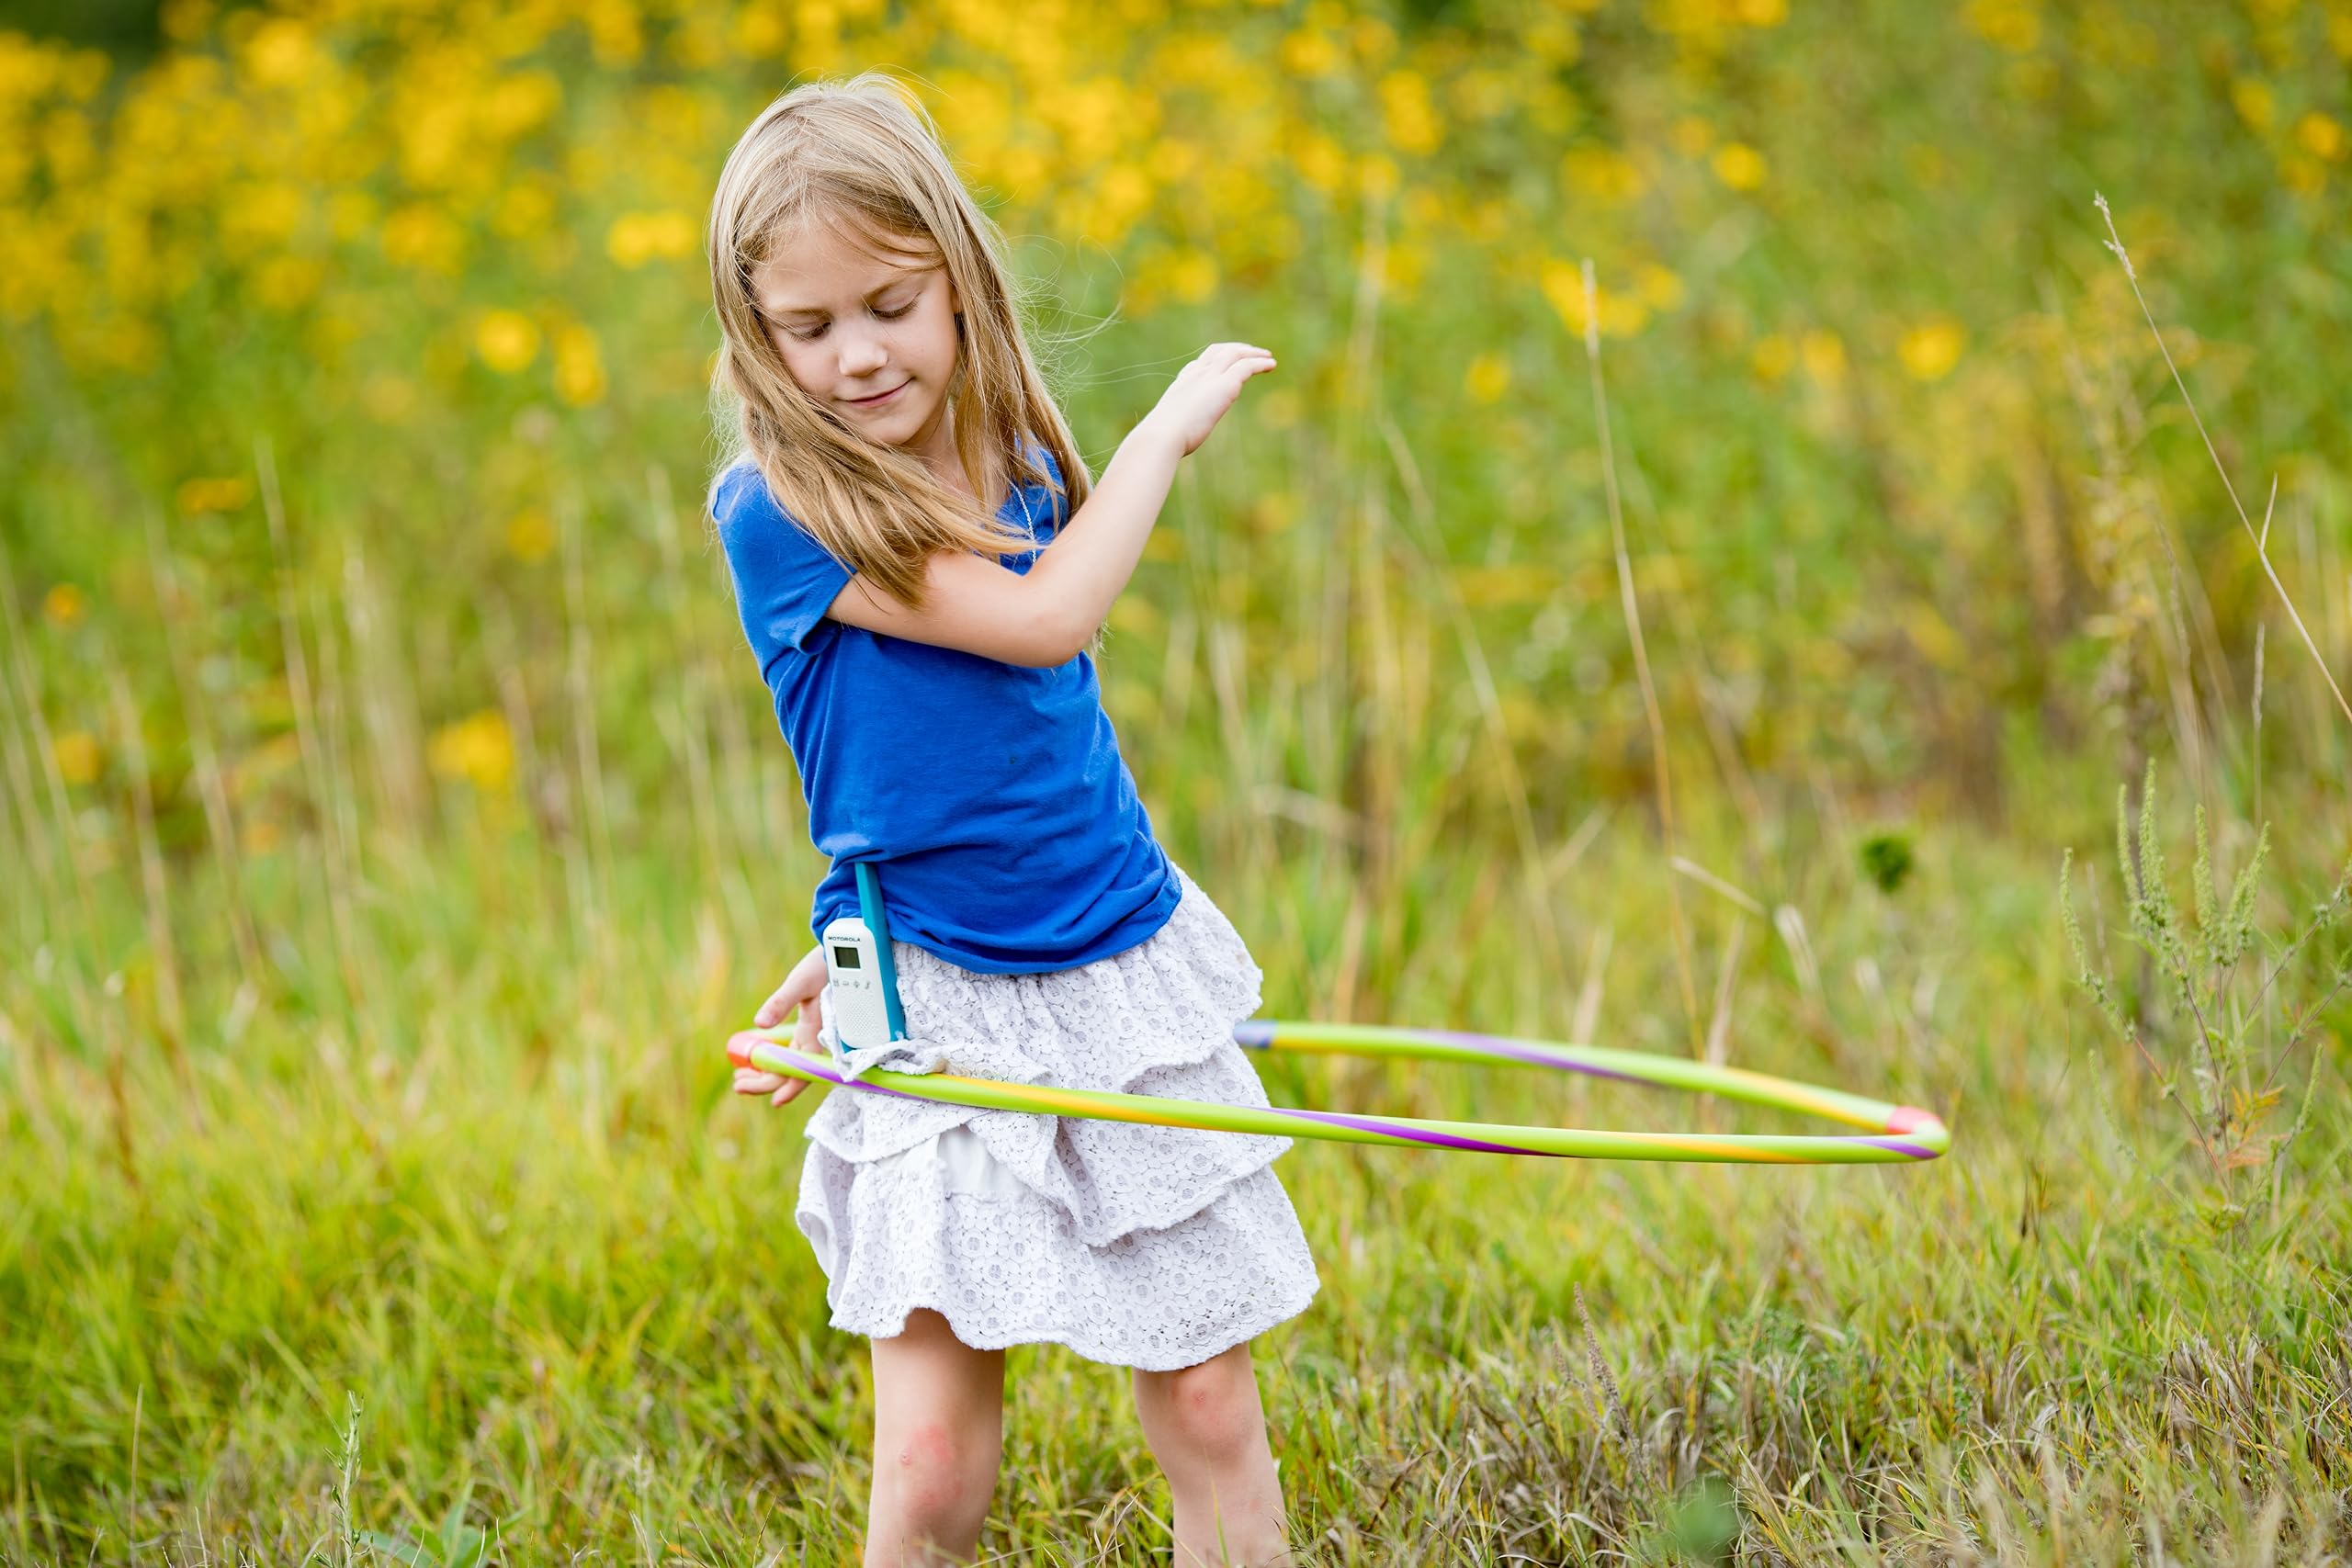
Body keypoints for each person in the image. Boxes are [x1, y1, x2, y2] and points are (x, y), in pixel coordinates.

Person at [704, 72, 1317, 1567]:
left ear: (960, 283)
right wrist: (1168, 435)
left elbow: (1007, 750)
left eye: (890, 305)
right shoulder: (780, 510)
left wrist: (845, 914)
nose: (856, 356)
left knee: (1209, 1399)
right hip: (942, 998)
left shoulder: (1022, 463)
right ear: (756, 335)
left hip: (1115, 957)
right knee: (926, 1467)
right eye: (811, 325)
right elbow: (1044, 628)